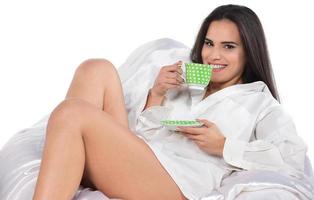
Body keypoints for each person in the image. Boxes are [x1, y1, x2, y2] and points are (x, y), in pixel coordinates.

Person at [33, 4, 307, 200]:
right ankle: (68, 158)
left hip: (176, 181)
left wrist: (225, 146)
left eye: (229, 47)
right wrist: (157, 94)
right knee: (95, 68)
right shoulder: (190, 83)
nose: (213, 55)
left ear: (250, 51)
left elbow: (292, 158)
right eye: (209, 43)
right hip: (144, 157)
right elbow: (147, 136)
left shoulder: (260, 103)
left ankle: (66, 156)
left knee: (73, 113)